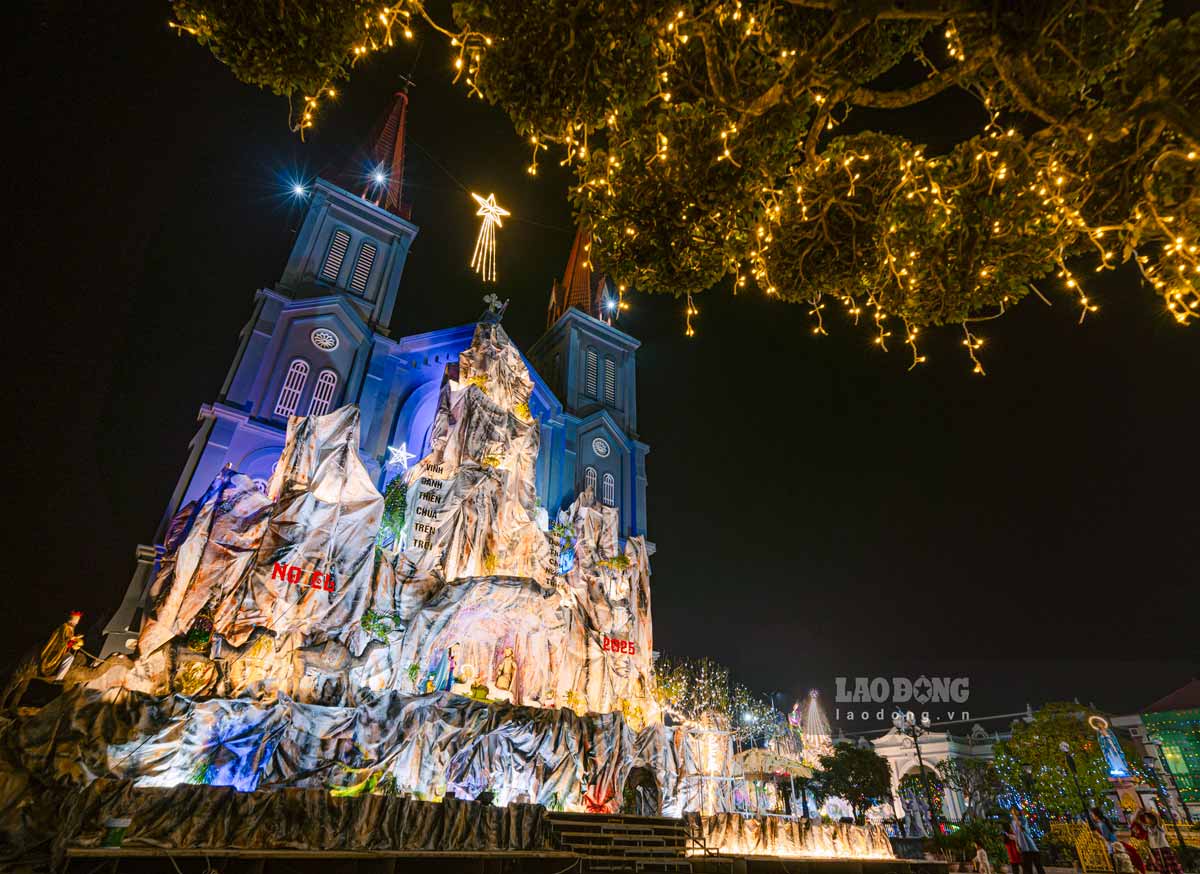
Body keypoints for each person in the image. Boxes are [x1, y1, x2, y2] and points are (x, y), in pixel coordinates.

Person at [2, 611, 85, 711]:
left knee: (70, 657)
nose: (77, 621)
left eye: (78, 620)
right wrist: (73, 641)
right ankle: (59, 678)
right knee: (70, 658)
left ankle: (59, 676)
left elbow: (66, 642)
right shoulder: (65, 627)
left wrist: (74, 642)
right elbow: (61, 640)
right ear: (72, 618)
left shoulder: (71, 629)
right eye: (76, 619)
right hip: (55, 651)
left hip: (61, 651)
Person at [1131, 809, 1183, 874]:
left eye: (1147, 818)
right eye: (1146, 818)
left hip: (1163, 848)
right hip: (1155, 849)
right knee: (1162, 868)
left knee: (1171, 866)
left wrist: (1150, 812)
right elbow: (1136, 821)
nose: (1146, 820)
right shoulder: (1148, 827)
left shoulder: (1159, 827)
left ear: (1152, 819)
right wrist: (1138, 813)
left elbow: (1158, 818)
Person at [1010, 806, 1047, 874]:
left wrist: (1016, 819)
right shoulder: (1012, 822)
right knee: (1027, 868)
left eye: (1015, 811)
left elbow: (1022, 829)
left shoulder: (1023, 819)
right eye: (1013, 812)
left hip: (1031, 846)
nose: (1014, 813)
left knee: (1038, 866)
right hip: (1023, 847)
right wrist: (1017, 845)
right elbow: (1015, 834)